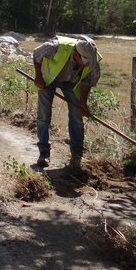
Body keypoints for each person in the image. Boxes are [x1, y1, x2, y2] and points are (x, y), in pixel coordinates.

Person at [32, 35, 101, 171]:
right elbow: (36, 53)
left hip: (72, 82)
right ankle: (44, 153)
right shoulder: (56, 47)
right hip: (49, 79)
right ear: (75, 54)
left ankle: (76, 156)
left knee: (76, 117)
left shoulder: (93, 59)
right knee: (44, 115)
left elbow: (87, 81)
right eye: (84, 61)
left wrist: (83, 102)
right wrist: (38, 76)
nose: (87, 64)